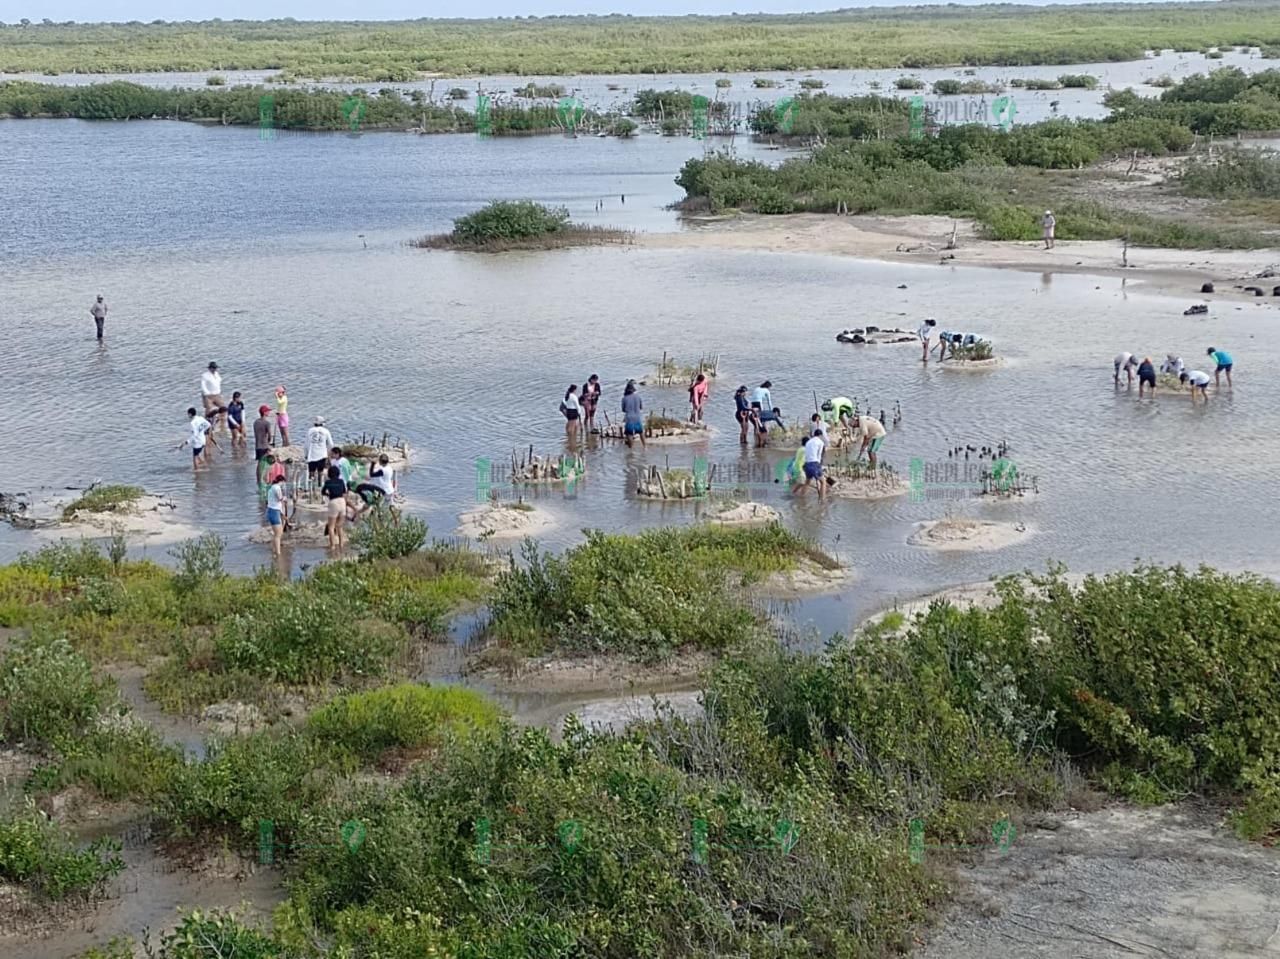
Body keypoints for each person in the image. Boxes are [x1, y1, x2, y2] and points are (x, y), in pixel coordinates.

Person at [792, 430, 827, 499]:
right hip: (814, 464)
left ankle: (801, 498)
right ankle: (822, 500)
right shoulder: (820, 442)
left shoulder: (808, 442)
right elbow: (819, 455)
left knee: (807, 482)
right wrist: (819, 466)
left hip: (807, 464)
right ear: (820, 435)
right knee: (823, 482)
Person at [178, 407, 214, 473]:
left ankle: (197, 471)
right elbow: (208, 425)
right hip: (203, 440)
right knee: (198, 455)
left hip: (197, 442)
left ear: (190, 414)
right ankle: (205, 466)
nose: (188, 415)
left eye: (188, 414)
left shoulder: (192, 423)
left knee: (195, 457)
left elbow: (194, 435)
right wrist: (202, 431)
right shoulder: (201, 418)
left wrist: (186, 442)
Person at [321, 465, 348, 549]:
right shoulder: (341, 481)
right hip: (342, 501)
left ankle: (332, 546)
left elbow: (323, 492)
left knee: (331, 526)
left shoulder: (328, 482)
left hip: (333, 502)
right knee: (339, 526)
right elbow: (344, 492)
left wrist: (328, 494)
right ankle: (341, 545)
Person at [305, 417, 334, 490]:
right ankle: (320, 486)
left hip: (311, 455)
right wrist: (329, 454)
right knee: (320, 472)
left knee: (311, 472)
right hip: (322, 455)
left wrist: (306, 454)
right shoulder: (326, 431)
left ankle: (311, 488)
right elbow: (331, 444)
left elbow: (306, 444)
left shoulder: (310, 431)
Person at [265, 474, 288, 558]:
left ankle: (274, 550)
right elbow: (280, 498)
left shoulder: (271, 488)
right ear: (281, 481)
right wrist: (285, 498)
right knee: (278, 534)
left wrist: (282, 515)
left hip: (273, 511)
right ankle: (278, 554)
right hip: (274, 512)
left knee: (277, 533)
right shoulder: (277, 488)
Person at [201, 363, 226, 429]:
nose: (215, 369)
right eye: (213, 368)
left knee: (223, 408)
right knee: (209, 409)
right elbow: (203, 386)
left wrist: (219, 392)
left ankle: (222, 424)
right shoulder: (205, 375)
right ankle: (206, 424)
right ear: (210, 368)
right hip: (208, 395)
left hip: (217, 394)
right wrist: (207, 393)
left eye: (215, 368)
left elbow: (218, 382)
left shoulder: (217, 374)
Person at [621, 380, 645, 448]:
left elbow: (623, 410)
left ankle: (631, 449)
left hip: (629, 418)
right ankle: (645, 447)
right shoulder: (638, 397)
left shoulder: (624, 398)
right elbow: (641, 407)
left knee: (629, 434)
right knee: (641, 432)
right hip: (637, 417)